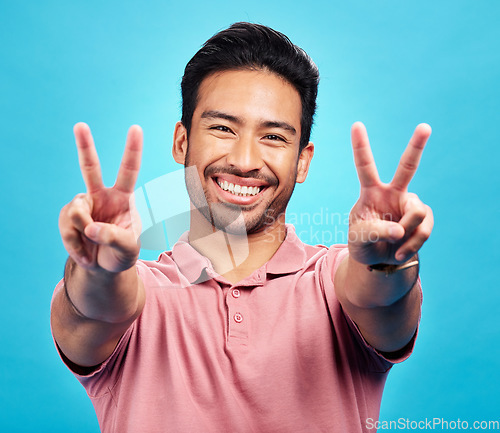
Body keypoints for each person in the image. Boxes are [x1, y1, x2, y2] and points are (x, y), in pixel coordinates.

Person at [51, 22, 433, 433]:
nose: (246, 159)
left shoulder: (334, 283)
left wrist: (388, 263)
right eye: (222, 128)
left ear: (303, 161)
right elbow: (93, 311)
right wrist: (97, 270)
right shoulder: (139, 295)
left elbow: (380, 302)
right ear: (182, 141)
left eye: (272, 136)